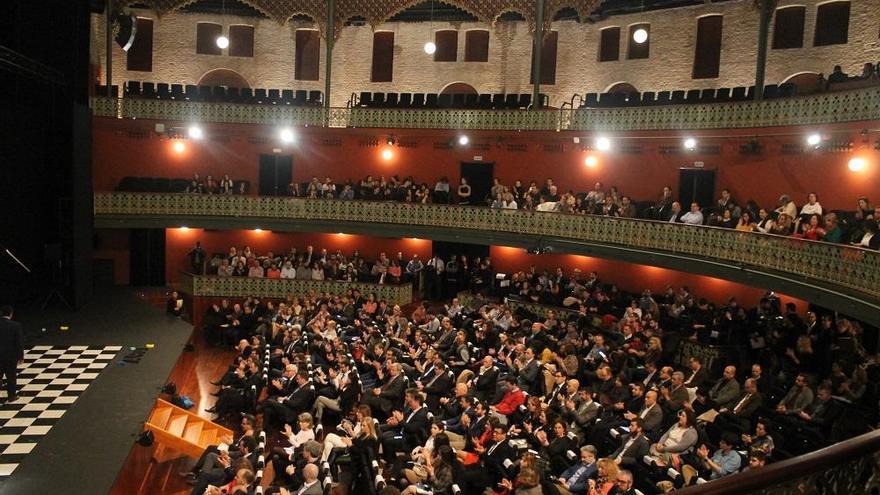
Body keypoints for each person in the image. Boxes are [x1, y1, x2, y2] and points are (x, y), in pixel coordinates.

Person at [0, 305, 24, 403]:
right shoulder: (15, 325)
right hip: (10, 356)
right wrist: (20, 356)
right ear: (11, 314)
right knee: (11, 376)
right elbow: (18, 342)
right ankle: (11, 396)